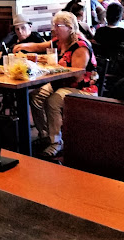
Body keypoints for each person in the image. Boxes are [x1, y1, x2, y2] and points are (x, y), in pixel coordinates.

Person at [14, 11, 97, 157]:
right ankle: (45, 135)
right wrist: (23, 46)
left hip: (83, 88)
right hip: (61, 83)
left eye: (58, 26)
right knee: (35, 97)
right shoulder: (60, 41)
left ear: (70, 27)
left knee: (53, 101)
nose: (54, 29)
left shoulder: (80, 46)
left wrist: (54, 66)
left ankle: (56, 143)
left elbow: (77, 76)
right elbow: (39, 47)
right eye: (54, 25)